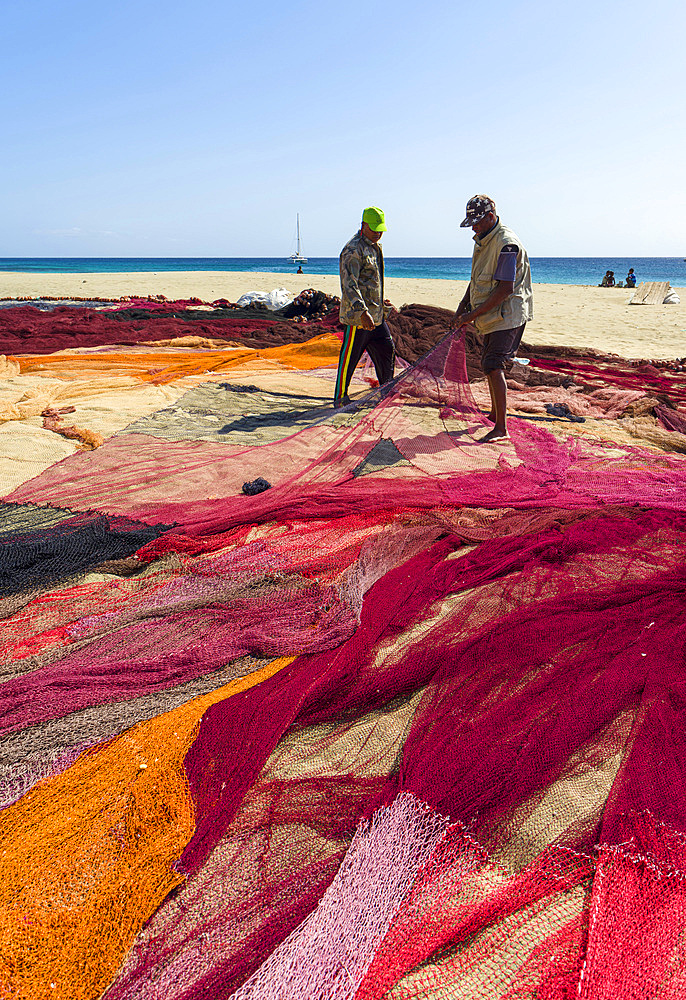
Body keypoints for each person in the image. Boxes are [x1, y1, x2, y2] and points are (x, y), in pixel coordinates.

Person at [455, 195, 533, 443]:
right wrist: (462, 306)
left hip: (508, 313)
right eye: (471, 223)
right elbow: (477, 279)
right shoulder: (482, 240)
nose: (474, 228)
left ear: (491, 217)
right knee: (488, 363)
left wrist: (471, 316)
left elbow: (504, 289)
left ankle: (501, 428)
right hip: (492, 314)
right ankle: (493, 413)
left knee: (492, 364)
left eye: (477, 222)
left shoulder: (507, 244)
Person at [335, 206, 395, 407]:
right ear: (363, 226)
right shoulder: (353, 249)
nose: (378, 233)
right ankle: (340, 398)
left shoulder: (375, 247)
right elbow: (349, 284)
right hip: (358, 318)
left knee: (387, 349)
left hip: (377, 316)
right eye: (375, 229)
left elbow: (371, 281)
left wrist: (381, 302)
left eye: (381, 230)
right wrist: (362, 312)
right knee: (350, 358)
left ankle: (386, 392)